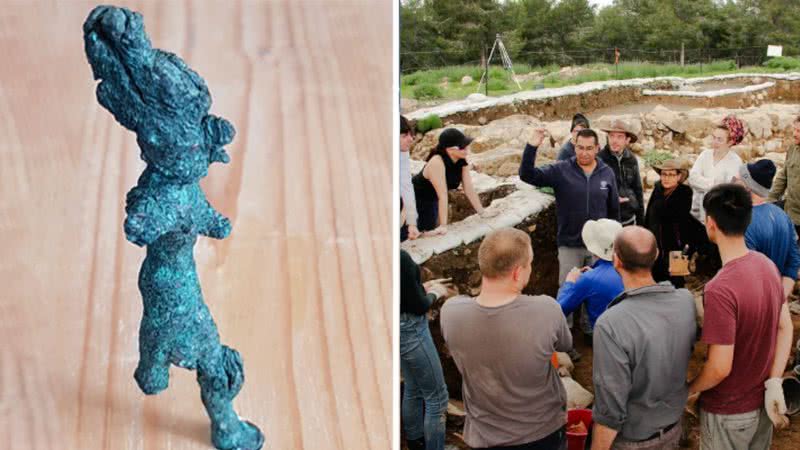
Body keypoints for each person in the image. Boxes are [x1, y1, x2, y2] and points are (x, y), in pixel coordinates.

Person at [441, 228, 571, 450]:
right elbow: (564, 345)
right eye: (529, 263)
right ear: (517, 273)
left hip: (486, 436)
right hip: (541, 433)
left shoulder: (450, 312)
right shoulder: (546, 309)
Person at [688, 184, 792, 450]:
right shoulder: (766, 265)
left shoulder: (720, 288)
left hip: (728, 411)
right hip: (763, 405)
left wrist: (690, 389)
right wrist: (774, 381)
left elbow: (720, 368)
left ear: (710, 223)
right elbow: (785, 327)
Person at [591, 226, 696, 450]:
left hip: (633, 441)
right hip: (673, 429)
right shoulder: (686, 301)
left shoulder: (610, 324)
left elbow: (610, 409)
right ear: (657, 255)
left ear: (616, 260)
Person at [518, 127, 620, 285]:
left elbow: (614, 212)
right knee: (568, 290)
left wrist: (614, 246)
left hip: (599, 249)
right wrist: (532, 146)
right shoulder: (561, 170)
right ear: (574, 147)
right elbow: (527, 175)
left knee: (595, 292)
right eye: (580, 148)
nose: (584, 153)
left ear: (597, 149)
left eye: (589, 148)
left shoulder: (607, 173)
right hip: (569, 246)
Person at [400, 249, 452, 450]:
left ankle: (416, 443)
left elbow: (405, 293)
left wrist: (419, 288)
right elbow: (419, 306)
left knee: (413, 388)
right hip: (411, 329)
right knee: (437, 398)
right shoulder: (400, 257)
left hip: (398, 327)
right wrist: (434, 293)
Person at [736, 159, 800, 299]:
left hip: (753, 301)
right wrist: (780, 297)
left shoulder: (743, 224)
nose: (733, 183)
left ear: (747, 187)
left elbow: (746, 274)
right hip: (775, 296)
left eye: (737, 180)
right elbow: (794, 262)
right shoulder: (783, 216)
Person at [412, 128, 494, 236]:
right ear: (449, 150)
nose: (466, 150)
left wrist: (483, 213)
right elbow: (443, 194)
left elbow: (469, 189)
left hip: (431, 202)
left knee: (425, 232)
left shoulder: (461, 161)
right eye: (462, 147)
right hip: (413, 199)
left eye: (466, 146)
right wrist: (443, 225)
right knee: (406, 235)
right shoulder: (437, 162)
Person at [556, 219, 624, 344]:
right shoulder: (631, 267)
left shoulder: (588, 279)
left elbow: (558, 311)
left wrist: (570, 282)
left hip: (607, 340)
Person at [644, 158, 701, 288]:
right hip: (656, 245)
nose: (666, 178)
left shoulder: (684, 193)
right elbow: (649, 214)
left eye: (671, 174)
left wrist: (685, 250)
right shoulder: (658, 189)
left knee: (676, 281)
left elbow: (678, 218)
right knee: (655, 279)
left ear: (679, 176)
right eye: (664, 174)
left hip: (677, 247)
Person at [688, 115, 745, 223]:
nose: (714, 142)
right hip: (698, 215)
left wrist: (703, 184)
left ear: (731, 142)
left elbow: (727, 191)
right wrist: (714, 184)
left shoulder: (735, 162)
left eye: (719, 140)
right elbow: (693, 178)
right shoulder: (705, 155)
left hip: (720, 217)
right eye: (714, 137)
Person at [599, 119, 645, 226]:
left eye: (619, 137)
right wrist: (612, 198)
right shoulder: (599, 160)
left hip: (629, 219)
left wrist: (641, 222)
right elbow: (596, 189)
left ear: (627, 140)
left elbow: (638, 189)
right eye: (611, 136)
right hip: (608, 221)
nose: (614, 140)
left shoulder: (631, 159)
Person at [768, 115, 800, 236]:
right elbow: (783, 176)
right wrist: (771, 198)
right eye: (795, 129)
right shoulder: (792, 149)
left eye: (799, 131)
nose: (795, 134)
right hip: (790, 213)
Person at [400, 115, 420, 241]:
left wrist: (412, 222)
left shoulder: (402, 152)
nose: (411, 139)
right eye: (404, 136)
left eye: (410, 134)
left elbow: (406, 185)